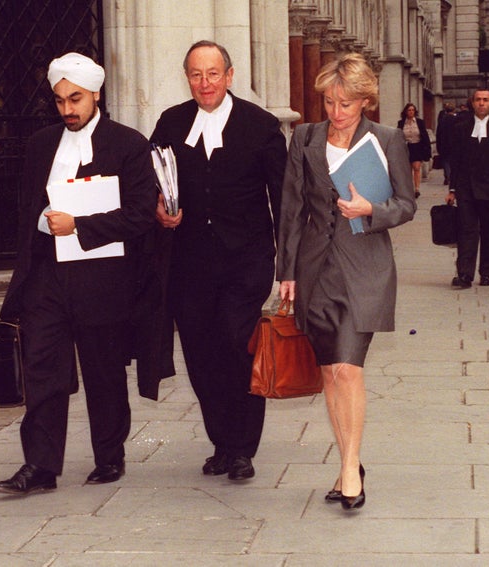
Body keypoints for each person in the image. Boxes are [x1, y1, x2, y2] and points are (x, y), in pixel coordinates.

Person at [0, 52, 159, 495]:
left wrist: (80, 226)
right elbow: (27, 205)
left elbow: (142, 214)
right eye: (61, 100)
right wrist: (40, 220)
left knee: (103, 370)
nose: (68, 109)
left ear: (95, 95)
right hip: (47, 276)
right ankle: (40, 467)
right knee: (43, 368)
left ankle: (109, 456)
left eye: (76, 99)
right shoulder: (40, 144)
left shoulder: (128, 144)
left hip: (103, 279)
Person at [277, 53, 416, 511]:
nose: (337, 113)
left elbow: (406, 204)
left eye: (347, 104)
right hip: (317, 271)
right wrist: (288, 272)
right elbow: (292, 209)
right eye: (331, 102)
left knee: (348, 369)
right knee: (329, 373)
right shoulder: (304, 137)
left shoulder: (388, 140)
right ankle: (348, 464)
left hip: (365, 270)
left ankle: (350, 469)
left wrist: (371, 210)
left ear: (365, 102)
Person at [150, 40, 286, 481]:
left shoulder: (261, 126)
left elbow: (283, 198)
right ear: (186, 77)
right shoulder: (170, 124)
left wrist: (289, 266)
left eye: (212, 73)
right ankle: (221, 443)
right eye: (195, 74)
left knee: (237, 346)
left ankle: (243, 447)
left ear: (229, 76)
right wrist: (159, 212)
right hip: (189, 265)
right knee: (201, 354)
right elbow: (151, 185)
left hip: (245, 262)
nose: (204, 83)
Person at [446, 89, 489, 289]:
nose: (482, 103)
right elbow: (455, 160)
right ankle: (465, 274)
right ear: (473, 103)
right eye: (478, 100)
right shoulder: (460, 128)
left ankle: (486, 272)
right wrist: (452, 188)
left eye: (485, 100)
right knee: (467, 230)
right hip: (466, 188)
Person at [397, 103, 431, 198]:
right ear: (406, 112)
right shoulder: (401, 123)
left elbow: (425, 135)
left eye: (413, 110)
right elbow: (398, 136)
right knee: (408, 170)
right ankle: (409, 188)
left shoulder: (420, 122)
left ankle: (417, 189)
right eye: (409, 110)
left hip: (417, 146)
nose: (411, 112)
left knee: (416, 168)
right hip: (406, 147)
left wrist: (427, 149)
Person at [436, 102, 458, 185]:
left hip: (444, 143)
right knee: (453, 161)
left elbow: (438, 133)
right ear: (454, 110)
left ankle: (447, 176)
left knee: (445, 161)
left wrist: (438, 144)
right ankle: (451, 177)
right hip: (454, 144)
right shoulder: (456, 120)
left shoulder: (442, 120)